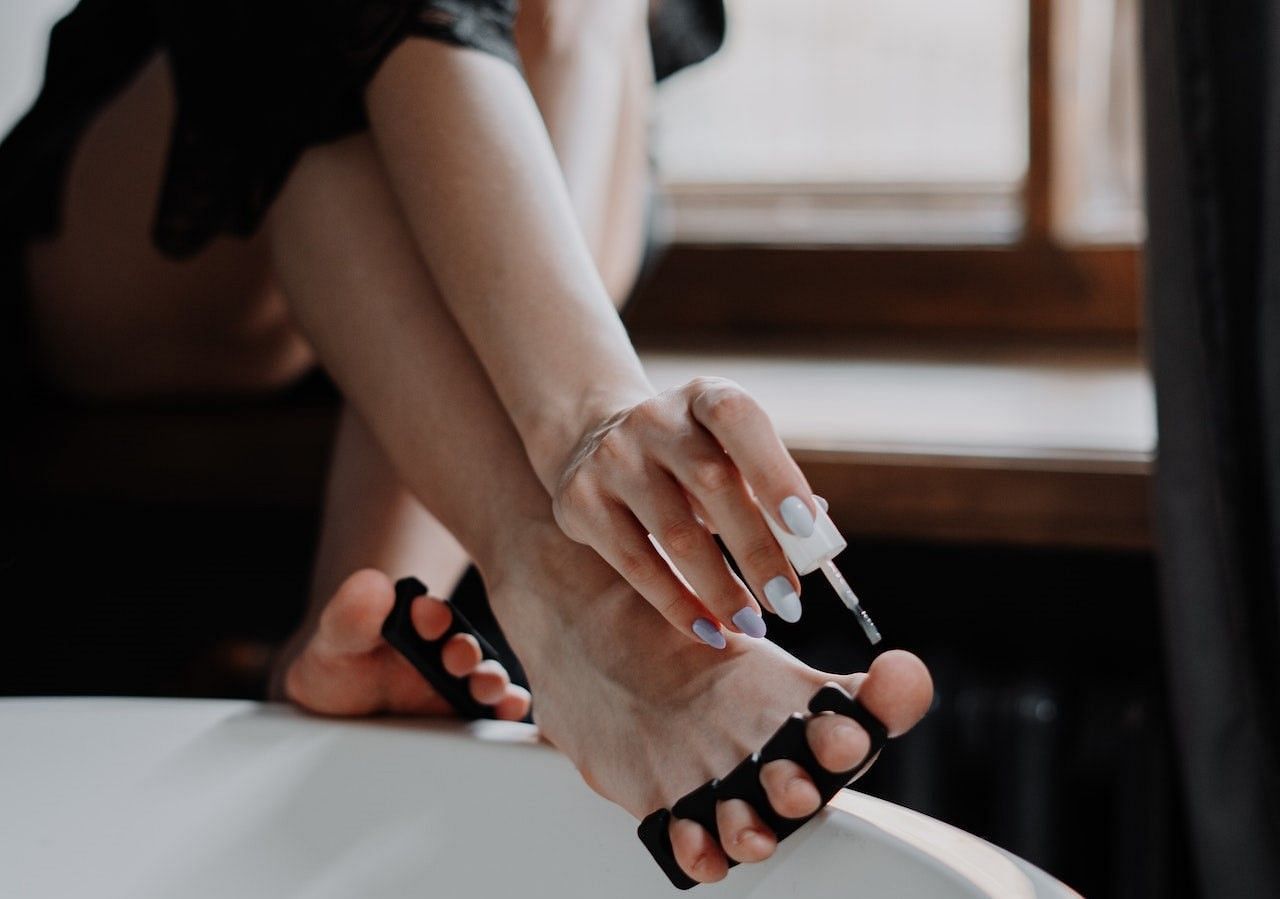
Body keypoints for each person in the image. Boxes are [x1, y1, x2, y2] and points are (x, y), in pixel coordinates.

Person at [2, 0, 932, 884]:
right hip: (155, 197)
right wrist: (594, 415)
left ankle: (367, 633)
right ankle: (576, 588)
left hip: (462, 191)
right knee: (299, 53)